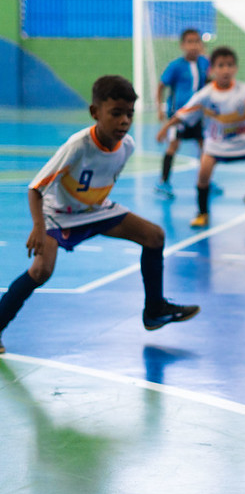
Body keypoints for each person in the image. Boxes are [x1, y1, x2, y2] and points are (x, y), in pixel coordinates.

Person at [0, 76, 200, 355]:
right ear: (95, 113)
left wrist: (97, 208)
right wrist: (38, 226)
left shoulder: (126, 146)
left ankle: (154, 310)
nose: (124, 121)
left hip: (95, 210)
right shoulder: (78, 146)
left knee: (154, 236)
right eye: (116, 114)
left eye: (129, 114)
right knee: (41, 270)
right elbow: (35, 189)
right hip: (58, 214)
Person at [157, 46, 245, 228]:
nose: (226, 70)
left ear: (235, 68)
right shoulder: (205, 95)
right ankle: (202, 213)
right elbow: (183, 113)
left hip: (244, 143)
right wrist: (165, 127)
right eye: (221, 66)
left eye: (230, 65)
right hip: (215, 145)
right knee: (203, 176)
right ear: (212, 70)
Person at [155, 28, 211, 199]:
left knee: (204, 147)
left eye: (196, 41)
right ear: (182, 45)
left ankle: (205, 180)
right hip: (178, 114)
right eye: (189, 42)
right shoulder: (176, 66)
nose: (193, 45)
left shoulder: (204, 63)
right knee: (173, 146)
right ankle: (164, 182)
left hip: (198, 114)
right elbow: (161, 86)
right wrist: (160, 108)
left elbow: (212, 76)